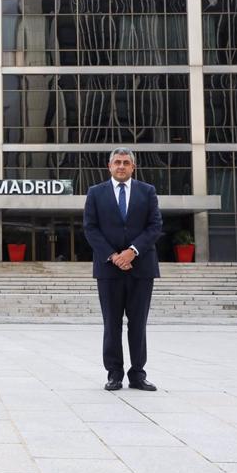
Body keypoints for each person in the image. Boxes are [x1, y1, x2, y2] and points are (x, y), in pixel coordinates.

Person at [83, 147, 162, 392]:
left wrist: (132, 251)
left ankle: (137, 374)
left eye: (126, 162)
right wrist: (114, 256)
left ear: (133, 167)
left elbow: (155, 225)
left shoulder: (147, 192)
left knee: (138, 324)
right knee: (112, 324)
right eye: (117, 162)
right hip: (109, 270)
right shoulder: (95, 193)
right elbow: (90, 228)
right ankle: (114, 374)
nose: (121, 166)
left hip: (141, 268)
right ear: (109, 166)